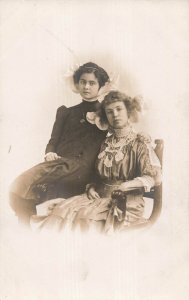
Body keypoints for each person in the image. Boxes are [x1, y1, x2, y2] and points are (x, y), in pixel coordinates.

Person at [32, 90, 162, 233]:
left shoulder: (139, 143)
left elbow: (153, 177)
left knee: (86, 217)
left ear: (128, 111)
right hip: (98, 197)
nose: (115, 115)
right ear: (105, 116)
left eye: (119, 109)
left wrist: (127, 185)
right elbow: (96, 175)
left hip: (125, 202)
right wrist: (92, 187)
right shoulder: (105, 143)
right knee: (61, 211)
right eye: (109, 112)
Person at [9, 62, 110, 226]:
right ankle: (26, 224)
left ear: (100, 86)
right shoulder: (66, 112)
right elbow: (53, 140)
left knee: (23, 184)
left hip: (83, 169)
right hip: (60, 164)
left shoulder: (106, 113)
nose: (86, 86)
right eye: (83, 82)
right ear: (77, 84)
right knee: (23, 187)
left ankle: (27, 223)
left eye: (92, 83)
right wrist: (50, 152)